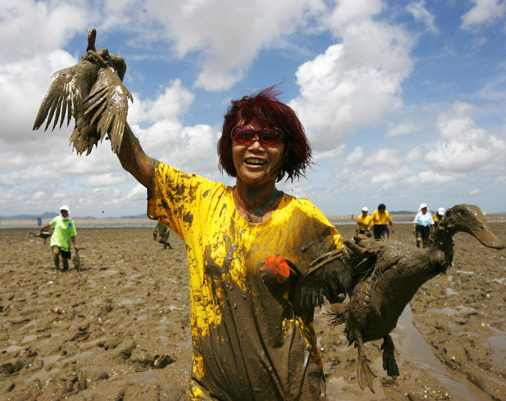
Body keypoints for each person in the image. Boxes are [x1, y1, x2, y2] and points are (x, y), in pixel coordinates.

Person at [114, 87, 342, 400]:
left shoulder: (304, 220)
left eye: (272, 137)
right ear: (229, 145)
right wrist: (109, 95)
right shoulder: (199, 200)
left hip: (291, 390)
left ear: (287, 150)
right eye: (245, 134)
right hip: (211, 390)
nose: (257, 145)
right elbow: (136, 161)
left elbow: (347, 293)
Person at [40, 205, 78, 272]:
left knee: (65, 260)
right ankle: (57, 269)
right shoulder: (57, 219)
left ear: (68, 212)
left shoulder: (70, 223)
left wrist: (74, 244)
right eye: (62, 211)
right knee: (56, 253)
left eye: (65, 211)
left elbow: (72, 235)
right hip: (55, 241)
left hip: (65, 243)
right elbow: (50, 224)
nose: (63, 213)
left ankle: (65, 269)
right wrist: (42, 228)